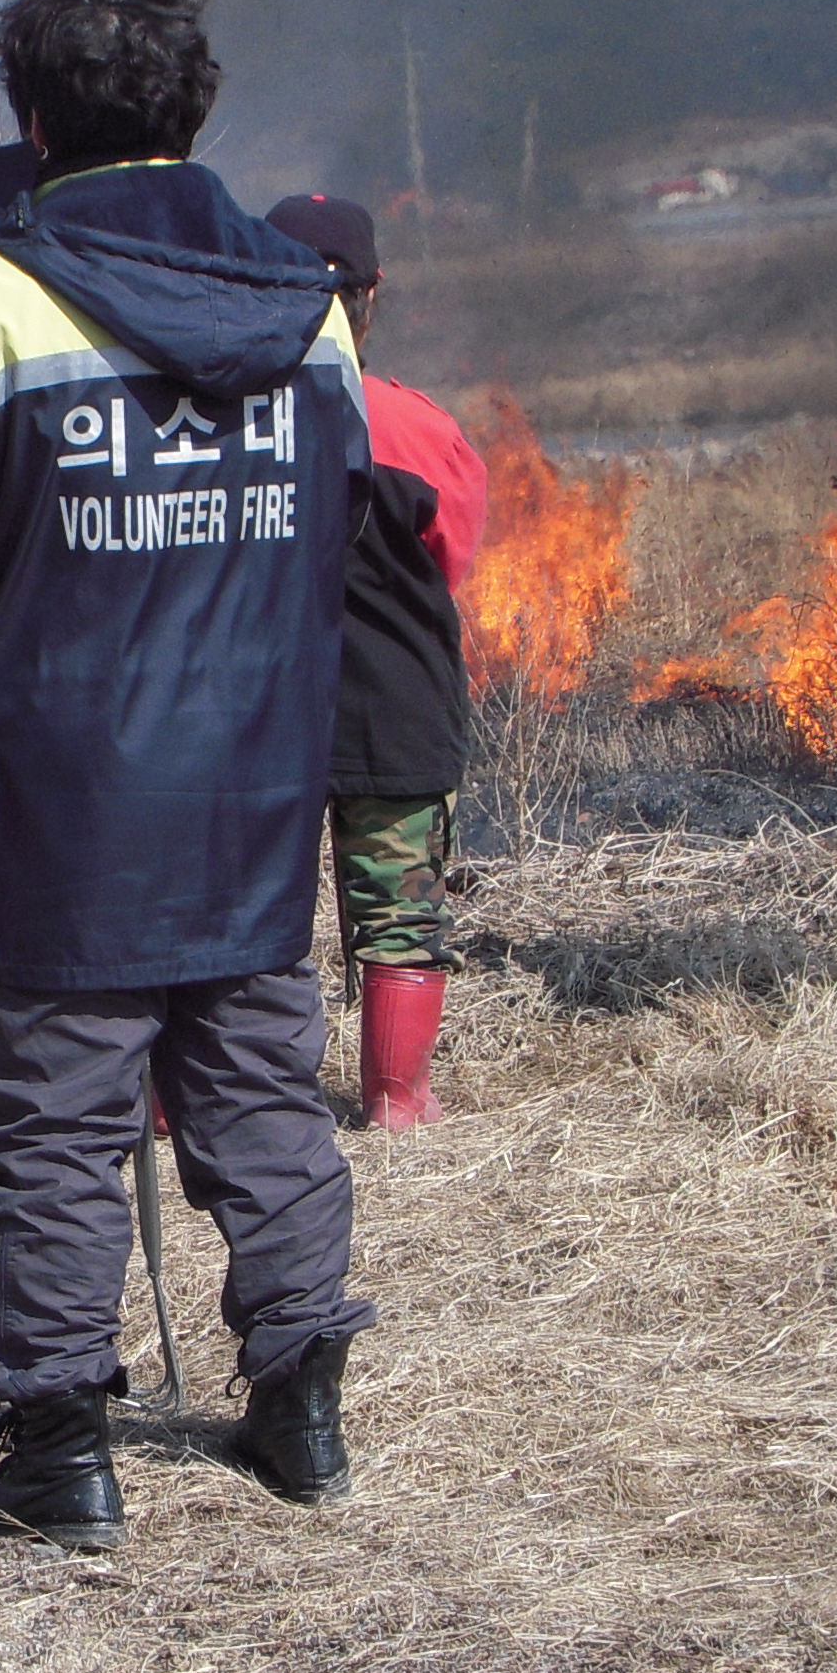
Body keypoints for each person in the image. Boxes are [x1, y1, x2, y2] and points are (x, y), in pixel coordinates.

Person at [0, 0, 380, 1552]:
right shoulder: (311, 311)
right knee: (262, 1098)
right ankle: (302, 1411)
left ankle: (58, 1449)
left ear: (30, 117)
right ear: (194, 107)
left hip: (53, 807)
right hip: (252, 797)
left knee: (55, 1129)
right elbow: (341, 541)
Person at [262, 195, 488, 1127]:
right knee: (401, 915)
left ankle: (211, 1099)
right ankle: (397, 1102)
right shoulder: (419, 429)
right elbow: (452, 559)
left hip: (255, 717)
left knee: (235, 921)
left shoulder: (210, 419)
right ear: (372, 295)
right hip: (393, 710)